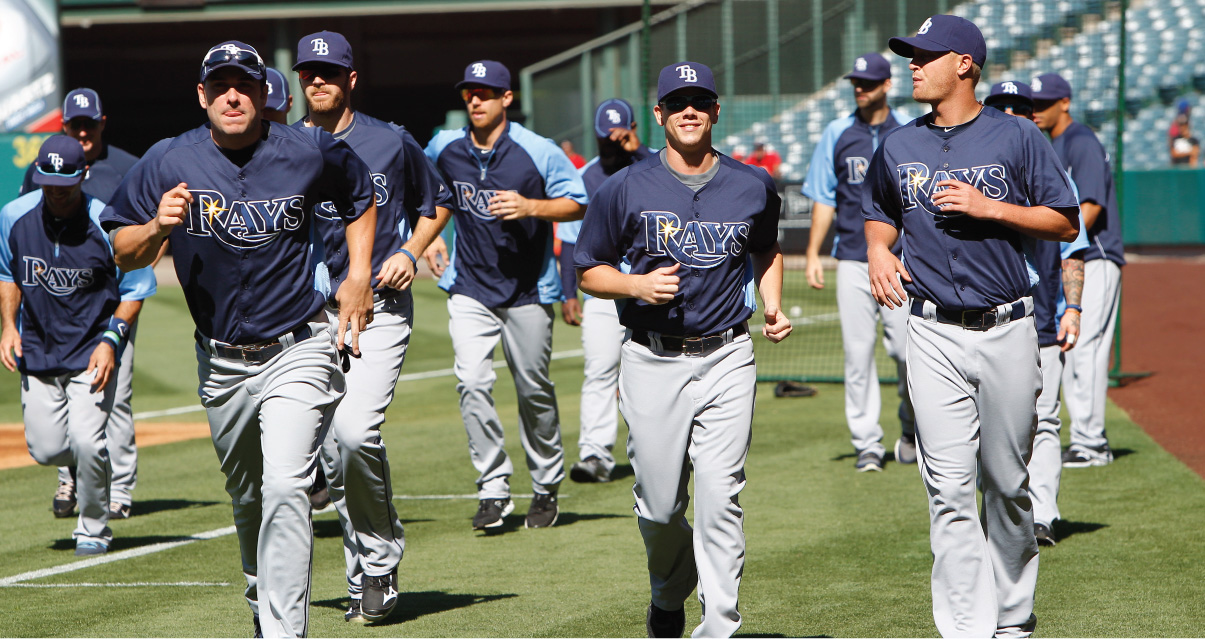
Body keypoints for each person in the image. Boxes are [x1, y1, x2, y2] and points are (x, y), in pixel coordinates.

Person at [100, 41, 377, 638]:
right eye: (220, 85)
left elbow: (361, 198)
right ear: (202, 96)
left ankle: (284, 631)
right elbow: (121, 248)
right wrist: (156, 226)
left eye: (244, 85)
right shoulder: (168, 160)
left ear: (261, 93)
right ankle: (262, 599)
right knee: (248, 496)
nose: (233, 95)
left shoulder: (309, 149)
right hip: (221, 361)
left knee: (285, 486)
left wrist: (357, 277)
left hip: (298, 346)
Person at [865, 16, 1080, 636]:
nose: (913, 64)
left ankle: (1013, 617)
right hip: (930, 330)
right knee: (949, 490)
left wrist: (992, 208)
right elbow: (879, 212)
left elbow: (1064, 221)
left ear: (965, 63)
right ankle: (965, 626)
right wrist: (880, 250)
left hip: (1009, 326)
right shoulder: (900, 144)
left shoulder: (1016, 136)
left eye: (925, 55)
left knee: (1008, 486)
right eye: (910, 55)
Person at [576, 61, 792, 638]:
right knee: (661, 506)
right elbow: (588, 270)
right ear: (660, 115)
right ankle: (669, 593)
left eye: (699, 101)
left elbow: (766, 249)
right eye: (677, 103)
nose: (689, 111)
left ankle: (719, 625)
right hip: (651, 357)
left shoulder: (752, 185)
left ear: (716, 111)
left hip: (727, 355)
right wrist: (634, 285)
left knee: (722, 499)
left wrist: (771, 302)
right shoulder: (624, 187)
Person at [292, 29, 451, 624]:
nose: (318, 80)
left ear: (351, 79)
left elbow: (437, 203)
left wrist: (411, 250)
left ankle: (379, 563)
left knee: (356, 433)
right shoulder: (283, 146)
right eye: (309, 72)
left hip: (378, 310)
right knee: (331, 453)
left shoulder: (391, 141)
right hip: (307, 316)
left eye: (329, 72)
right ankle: (362, 576)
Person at [424, 60, 587, 531]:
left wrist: (532, 206)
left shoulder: (539, 151)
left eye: (486, 92)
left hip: (528, 290)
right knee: (472, 382)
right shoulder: (444, 145)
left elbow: (577, 201)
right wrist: (430, 236)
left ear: (507, 98)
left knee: (533, 390)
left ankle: (545, 485)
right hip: (469, 286)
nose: (476, 100)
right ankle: (493, 489)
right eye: (469, 93)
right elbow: (425, 192)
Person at [1, 135, 155, 556]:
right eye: (48, 184)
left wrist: (111, 340)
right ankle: (78, 468)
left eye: (64, 185)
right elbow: (7, 274)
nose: (55, 193)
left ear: (82, 176)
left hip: (92, 352)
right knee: (47, 449)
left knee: (89, 442)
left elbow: (137, 287)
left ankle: (93, 528)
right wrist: (8, 327)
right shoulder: (13, 217)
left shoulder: (106, 221)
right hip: (38, 350)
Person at [986, 79, 1088, 547]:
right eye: (999, 107)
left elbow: (1074, 248)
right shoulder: (975, 169)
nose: (1009, 115)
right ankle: (991, 516)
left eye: (1018, 108)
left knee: (1045, 421)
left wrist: (1075, 307)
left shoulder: (1052, 173)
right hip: (988, 322)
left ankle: (1043, 515)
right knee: (987, 430)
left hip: (1044, 319)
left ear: (1032, 116)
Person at [802, 52, 914, 472]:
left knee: (908, 352)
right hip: (852, 257)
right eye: (856, 82)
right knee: (857, 355)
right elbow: (823, 196)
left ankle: (910, 430)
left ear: (887, 85)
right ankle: (867, 442)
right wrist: (813, 251)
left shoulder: (907, 130)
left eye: (868, 82)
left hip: (902, 261)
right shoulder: (837, 132)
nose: (860, 88)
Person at [557, 98, 654, 484]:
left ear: (631, 129)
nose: (610, 145)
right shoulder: (586, 178)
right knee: (599, 370)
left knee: (652, 373)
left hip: (653, 289)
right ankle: (595, 455)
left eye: (618, 138)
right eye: (605, 140)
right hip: (602, 288)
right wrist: (568, 292)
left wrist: (641, 151)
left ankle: (655, 452)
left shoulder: (656, 168)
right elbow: (569, 239)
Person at [1032, 72, 1126, 468]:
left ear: (1064, 103)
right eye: (1031, 104)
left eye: (1043, 103)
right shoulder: (1055, 142)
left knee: (1085, 346)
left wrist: (1054, 239)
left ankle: (1092, 443)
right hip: (1079, 257)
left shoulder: (1081, 141)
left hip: (1097, 257)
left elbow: (1088, 209)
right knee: (1074, 345)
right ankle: (1086, 438)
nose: (1035, 111)